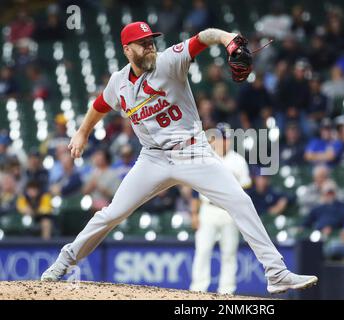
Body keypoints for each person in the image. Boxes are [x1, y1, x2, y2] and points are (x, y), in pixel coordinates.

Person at [41, 22, 317, 293]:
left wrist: (229, 40)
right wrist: (82, 132)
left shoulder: (170, 61)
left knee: (240, 202)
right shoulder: (118, 83)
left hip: (192, 152)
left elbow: (205, 36)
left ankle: (276, 273)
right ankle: (63, 263)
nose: (150, 47)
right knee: (111, 214)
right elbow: (99, 105)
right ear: (127, 50)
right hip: (152, 159)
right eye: (143, 43)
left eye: (151, 41)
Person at [190, 123, 251, 295]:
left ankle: (227, 291)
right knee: (202, 250)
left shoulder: (238, 161)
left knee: (229, 252)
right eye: (221, 138)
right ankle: (197, 289)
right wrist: (194, 213)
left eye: (227, 138)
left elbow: (245, 190)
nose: (225, 141)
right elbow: (196, 189)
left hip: (228, 212)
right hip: (207, 210)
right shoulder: (205, 158)